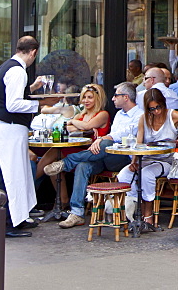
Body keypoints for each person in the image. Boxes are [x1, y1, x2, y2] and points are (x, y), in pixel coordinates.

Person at [49, 82, 142, 229]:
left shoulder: (139, 115)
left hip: (124, 158)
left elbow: (124, 134)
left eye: (116, 95)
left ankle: (67, 162)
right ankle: (77, 212)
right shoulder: (119, 114)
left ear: (125, 97)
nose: (113, 99)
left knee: (105, 144)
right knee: (83, 166)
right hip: (104, 156)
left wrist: (102, 139)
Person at [116, 89, 178, 230]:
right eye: (152, 109)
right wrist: (134, 161)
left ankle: (148, 215)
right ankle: (129, 211)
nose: (156, 111)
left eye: (158, 107)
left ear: (163, 104)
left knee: (147, 174)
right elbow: (139, 143)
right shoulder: (144, 118)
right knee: (124, 174)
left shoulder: (172, 114)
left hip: (166, 160)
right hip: (146, 158)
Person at [0, 36, 47, 238]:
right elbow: (13, 104)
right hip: (10, 128)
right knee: (11, 176)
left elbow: (8, 95)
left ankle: (18, 218)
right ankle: (7, 223)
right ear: (33, 52)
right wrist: (41, 106)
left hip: (7, 127)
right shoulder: (17, 71)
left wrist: (31, 89)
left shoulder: (8, 66)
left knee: (14, 173)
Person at [35, 84, 110, 183]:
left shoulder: (102, 114)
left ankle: (30, 183)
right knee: (54, 163)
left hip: (93, 154)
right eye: (84, 97)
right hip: (78, 148)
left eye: (90, 97)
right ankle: (63, 199)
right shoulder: (80, 115)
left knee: (55, 153)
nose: (85, 101)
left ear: (98, 99)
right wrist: (80, 126)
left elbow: (86, 126)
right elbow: (68, 127)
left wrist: (74, 122)